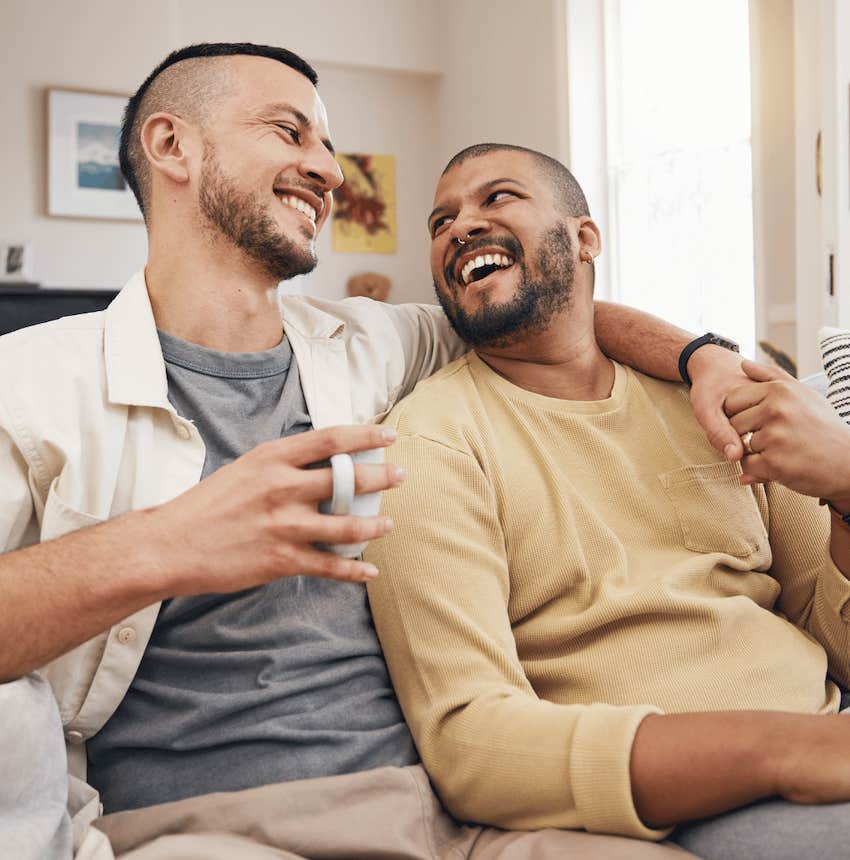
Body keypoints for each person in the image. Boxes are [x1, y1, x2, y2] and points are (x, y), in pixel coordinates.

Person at [0, 44, 738, 860]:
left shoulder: (377, 343)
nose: (328, 171)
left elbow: (554, 308)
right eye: (290, 133)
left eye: (326, 147)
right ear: (172, 146)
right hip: (204, 829)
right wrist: (165, 544)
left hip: (447, 817)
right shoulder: (28, 384)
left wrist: (705, 356)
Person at [365, 142, 850, 860]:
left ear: (585, 238)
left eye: (497, 198)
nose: (460, 226)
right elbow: (470, 740)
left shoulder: (711, 402)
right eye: (440, 221)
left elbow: (832, 633)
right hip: (724, 792)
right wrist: (785, 748)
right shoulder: (426, 445)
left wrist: (844, 493)